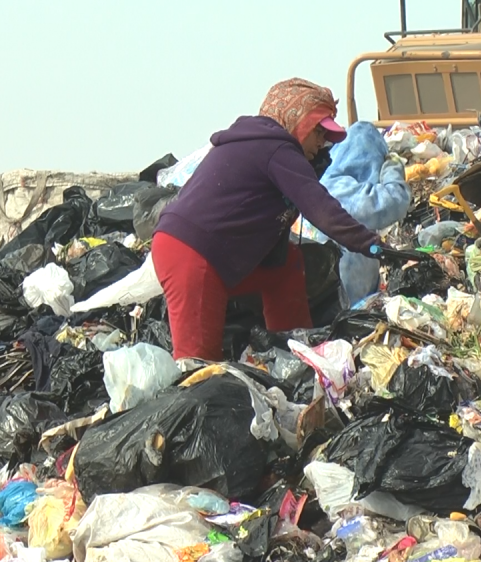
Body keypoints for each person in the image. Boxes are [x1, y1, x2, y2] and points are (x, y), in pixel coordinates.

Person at [152, 78, 382, 361]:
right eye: (319, 133)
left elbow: (275, 235)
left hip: (204, 251)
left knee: (286, 264)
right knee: (199, 365)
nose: (323, 144)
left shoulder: (264, 146)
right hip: (193, 254)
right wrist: (373, 246)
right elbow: (322, 210)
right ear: (298, 121)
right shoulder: (277, 149)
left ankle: (292, 351)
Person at [294, 121, 412, 305]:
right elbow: (394, 201)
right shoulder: (340, 189)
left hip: (324, 296)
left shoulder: (322, 181)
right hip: (339, 299)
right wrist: (392, 166)